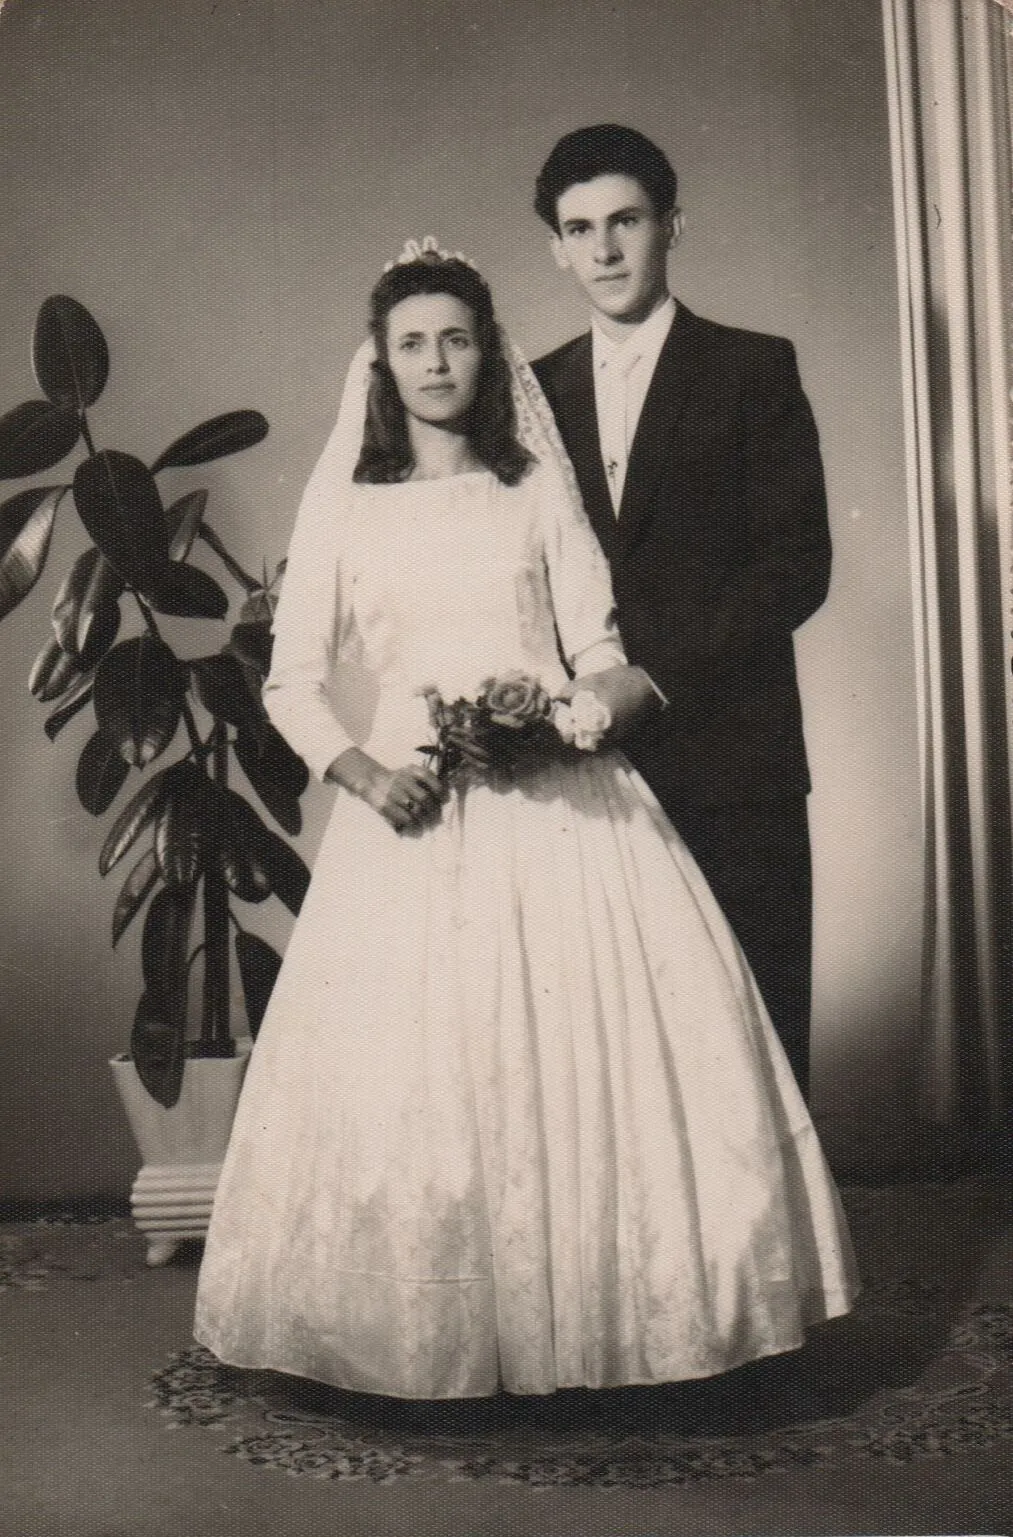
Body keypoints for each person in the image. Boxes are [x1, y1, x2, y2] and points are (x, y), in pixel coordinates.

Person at [193, 241, 856, 1401]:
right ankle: (424, 1345)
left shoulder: (533, 487)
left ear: (486, 351)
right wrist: (361, 772)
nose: (434, 361)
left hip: (558, 805)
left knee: (596, 1069)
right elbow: (292, 679)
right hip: (409, 819)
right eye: (411, 343)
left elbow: (595, 645)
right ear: (381, 363)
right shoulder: (348, 507)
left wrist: (567, 715)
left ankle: (620, 1334)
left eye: (455, 338)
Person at [532, 125, 831, 1100]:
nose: (605, 250)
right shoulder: (531, 395)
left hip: (733, 763)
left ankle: (775, 1258)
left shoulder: (752, 369)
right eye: (580, 229)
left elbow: (795, 565)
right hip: (587, 774)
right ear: (555, 248)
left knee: (754, 1051)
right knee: (615, 1062)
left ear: (671, 225)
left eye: (625, 220)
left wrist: (648, 677)